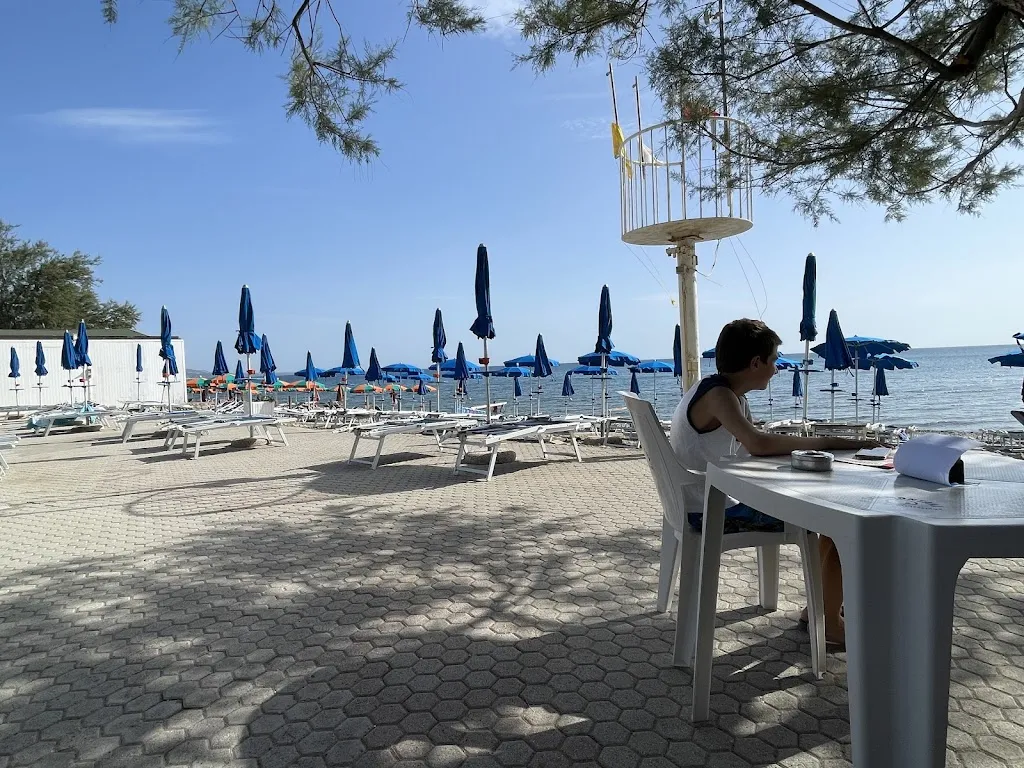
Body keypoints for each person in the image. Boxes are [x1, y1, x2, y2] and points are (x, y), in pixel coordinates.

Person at [670, 318, 878, 648]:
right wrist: (825, 443)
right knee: (836, 524)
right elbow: (758, 445)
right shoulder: (720, 397)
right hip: (712, 510)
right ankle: (828, 624)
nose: (777, 369)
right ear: (756, 363)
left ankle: (820, 610)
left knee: (826, 521)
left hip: (700, 499)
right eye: (775, 360)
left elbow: (754, 447)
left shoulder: (716, 390)